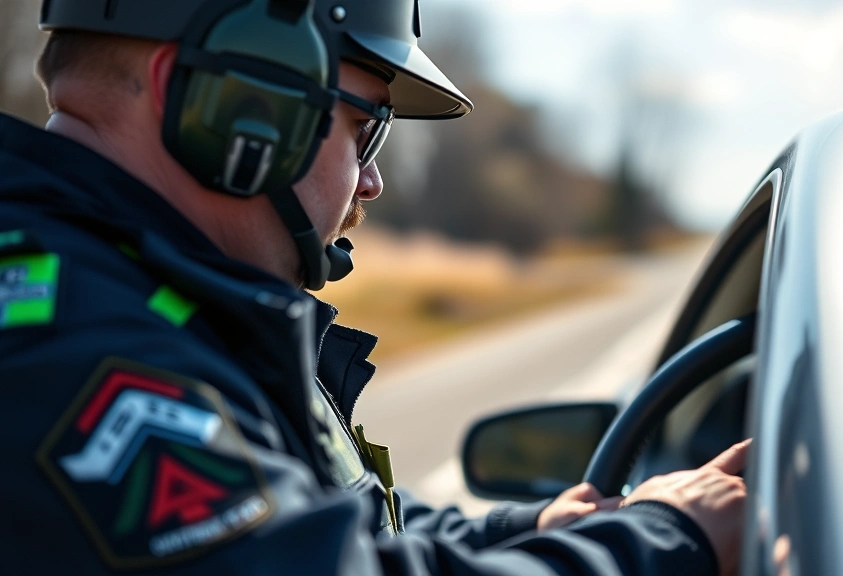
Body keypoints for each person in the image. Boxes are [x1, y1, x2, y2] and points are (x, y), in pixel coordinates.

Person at [0, 0, 749, 574]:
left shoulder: (155, 299)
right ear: (223, 105)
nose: (374, 181)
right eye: (364, 128)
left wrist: (533, 531)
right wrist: (659, 544)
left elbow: (322, 516)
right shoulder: (70, 352)